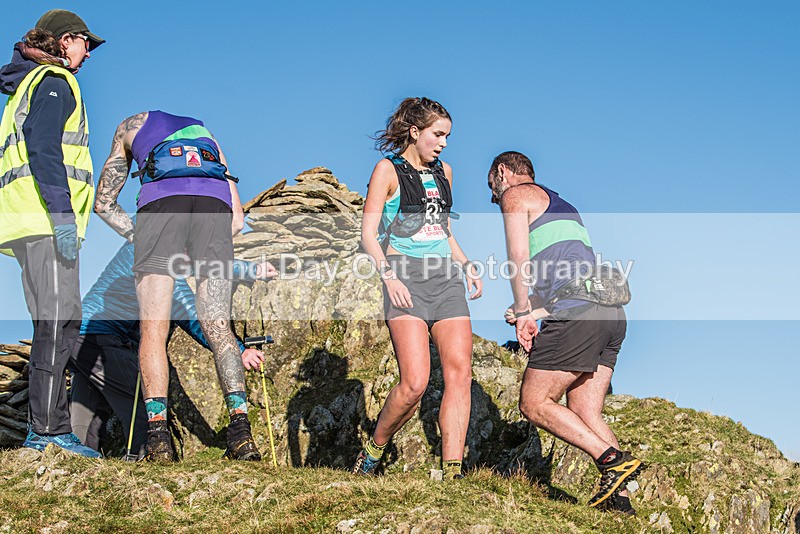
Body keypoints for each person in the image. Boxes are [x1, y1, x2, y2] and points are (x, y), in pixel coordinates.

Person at [93, 110, 256, 462]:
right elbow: (238, 221)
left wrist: (141, 234)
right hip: (214, 207)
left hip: (161, 205)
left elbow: (103, 203)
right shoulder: (205, 131)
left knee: (153, 328)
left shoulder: (130, 127)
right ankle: (241, 433)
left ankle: (158, 440)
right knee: (218, 326)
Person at [488, 151, 640, 514]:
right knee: (586, 410)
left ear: (503, 172)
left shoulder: (516, 194)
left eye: (491, 187)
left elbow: (517, 259)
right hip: (610, 314)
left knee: (534, 402)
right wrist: (530, 310)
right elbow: (570, 281)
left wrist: (524, 310)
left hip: (579, 315)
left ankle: (609, 461)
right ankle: (620, 505)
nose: (493, 197)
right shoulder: (564, 206)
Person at [355, 97, 482, 479]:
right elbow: (367, 233)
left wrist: (466, 264)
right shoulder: (387, 170)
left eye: (447, 136)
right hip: (404, 276)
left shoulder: (445, 171)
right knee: (414, 383)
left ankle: (453, 469)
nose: (443, 143)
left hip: (445, 279)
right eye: (437, 134)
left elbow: (443, 229)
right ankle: (374, 450)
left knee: (460, 372)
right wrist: (388, 276)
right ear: (415, 132)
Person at [0, 10, 104, 457]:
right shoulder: (55, 81)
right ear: (65, 41)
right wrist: (64, 217)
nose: (88, 52)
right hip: (48, 222)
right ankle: (47, 433)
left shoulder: (25, 84)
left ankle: (43, 430)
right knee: (60, 323)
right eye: (85, 42)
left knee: (50, 322)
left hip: (28, 222)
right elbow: (45, 149)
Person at [69, 237, 277, 457]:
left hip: (77, 337)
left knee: (87, 411)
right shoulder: (158, 263)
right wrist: (238, 350)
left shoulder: (146, 240)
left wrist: (249, 268)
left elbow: (204, 264)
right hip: (100, 338)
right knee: (144, 398)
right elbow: (191, 314)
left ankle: (76, 464)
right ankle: (144, 459)